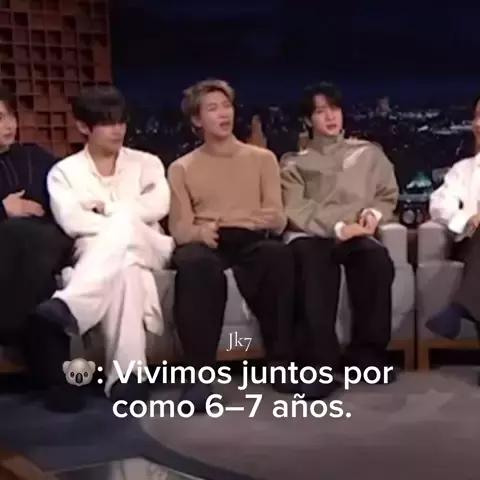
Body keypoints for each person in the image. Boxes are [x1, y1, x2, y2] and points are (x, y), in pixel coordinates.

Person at [26, 86, 174, 412]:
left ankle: (71, 306)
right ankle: (128, 376)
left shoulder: (147, 163)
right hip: (101, 251)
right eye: (107, 123)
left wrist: (107, 209)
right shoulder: (65, 172)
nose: (117, 130)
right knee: (125, 270)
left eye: (121, 122)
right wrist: (126, 214)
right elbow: (73, 221)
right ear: (84, 126)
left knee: (125, 231)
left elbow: (158, 206)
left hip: (150, 244)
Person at [168, 79, 311, 413]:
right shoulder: (182, 168)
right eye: (212, 108)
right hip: (209, 240)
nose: (223, 114)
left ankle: (282, 363)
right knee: (194, 265)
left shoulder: (262, 159)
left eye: (227, 106)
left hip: (251, 238)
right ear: (197, 120)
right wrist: (200, 233)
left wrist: (246, 221)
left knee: (278, 256)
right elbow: (180, 228)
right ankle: (199, 378)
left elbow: (276, 217)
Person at [281, 82, 399, 392]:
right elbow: (296, 207)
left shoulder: (368, 154)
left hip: (357, 231)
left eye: (334, 109)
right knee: (313, 264)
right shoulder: (294, 162)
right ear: (308, 120)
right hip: (312, 234)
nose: (331, 117)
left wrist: (373, 215)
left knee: (375, 260)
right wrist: (337, 228)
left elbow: (386, 194)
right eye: (321, 111)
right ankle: (319, 365)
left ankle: (367, 355)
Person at [0, 85, 72, 348]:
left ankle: (9, 329)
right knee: (16, 235)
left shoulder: (35, 156)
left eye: (11, 116)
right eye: (0, 118)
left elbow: (68, 190)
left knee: (30, 236)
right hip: (13, 250)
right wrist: (3, 209)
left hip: (47, 241)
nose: (9, 125)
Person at [427, 96, 480, 342]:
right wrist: (467, 218)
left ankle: (459, 308)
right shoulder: (463, 170)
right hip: (471, 243)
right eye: (477, 116)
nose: (478, 124)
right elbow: (439, 204)